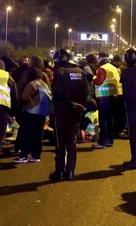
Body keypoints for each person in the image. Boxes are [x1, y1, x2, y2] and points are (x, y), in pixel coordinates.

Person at [49, 49, 90, 181]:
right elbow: (86, 91)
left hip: (62, 110)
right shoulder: (80, 72)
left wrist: (69, 103)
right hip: (75, 112)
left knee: (60, 143)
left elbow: (59, 93)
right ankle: (71, 172)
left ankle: (60, 172)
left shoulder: (60, 72)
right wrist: (79, 106)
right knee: (72, 143)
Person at [15, 61, 52, 164]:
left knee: (27, 134)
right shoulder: (45, 84)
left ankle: (23, 156)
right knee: (38, 135)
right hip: (42, 113)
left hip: (31, 112)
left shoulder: (32, 84)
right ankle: (36, 156)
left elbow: (24, 97)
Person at [92, 52, 122, 150]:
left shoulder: (102, 68)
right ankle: (109, 141)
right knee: (109, 120)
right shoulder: (114, 68)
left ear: (100, 58)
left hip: (104, 97)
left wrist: (93, 79)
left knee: (103, 120)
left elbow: (100, 81)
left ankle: (102, 142)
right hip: (114, 96)